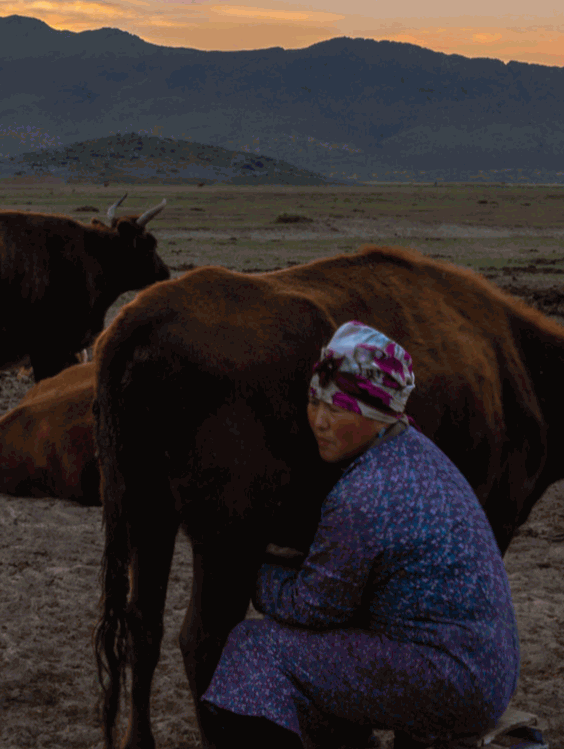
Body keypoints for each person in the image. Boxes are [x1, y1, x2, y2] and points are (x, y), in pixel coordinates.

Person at [199, 321, 519, 749]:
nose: (320, 421)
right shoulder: (417, 450)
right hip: (483, 664)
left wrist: (254, 571)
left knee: (256, 646)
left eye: (340, 408)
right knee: (319, 658)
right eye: (315, 401)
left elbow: (314, 608)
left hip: (451, 677)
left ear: (380, 413)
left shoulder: (362, 492)